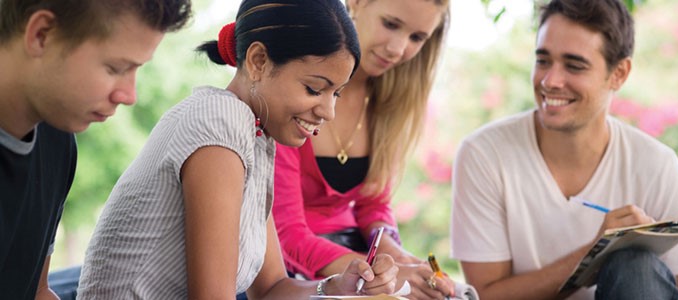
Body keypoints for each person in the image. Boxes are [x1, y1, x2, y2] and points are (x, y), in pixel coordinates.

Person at [76, 0, 399, 299]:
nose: (328, 112)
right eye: (314, 89)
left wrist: (336, 287)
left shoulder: (257, 136)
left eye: (336, 94)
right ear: (258, 61)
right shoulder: (220, 123)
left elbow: (272, 287)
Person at [450, 0, 678, 299]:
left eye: (574, 66)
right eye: (543, 60)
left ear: (619, 73)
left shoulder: (656, 165)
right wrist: (594, 253)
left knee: (636, 265)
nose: (550, 81)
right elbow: (485, 295)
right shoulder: (485, 154)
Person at [0, 0, 192, 298]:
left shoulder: (57, 142)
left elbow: (37, 291)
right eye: (115, 68)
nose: (129, 95)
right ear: (42, 34)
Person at [271, 0, 454, 299]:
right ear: (355, 3)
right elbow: (287, 233)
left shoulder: (390, 102)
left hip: (354, 259)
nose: (398, 49)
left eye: (416, 38)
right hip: (288, 266)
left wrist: (396, 254)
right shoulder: (296, 83)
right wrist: (378, 274)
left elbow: (373, 204)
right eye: (391, 24)